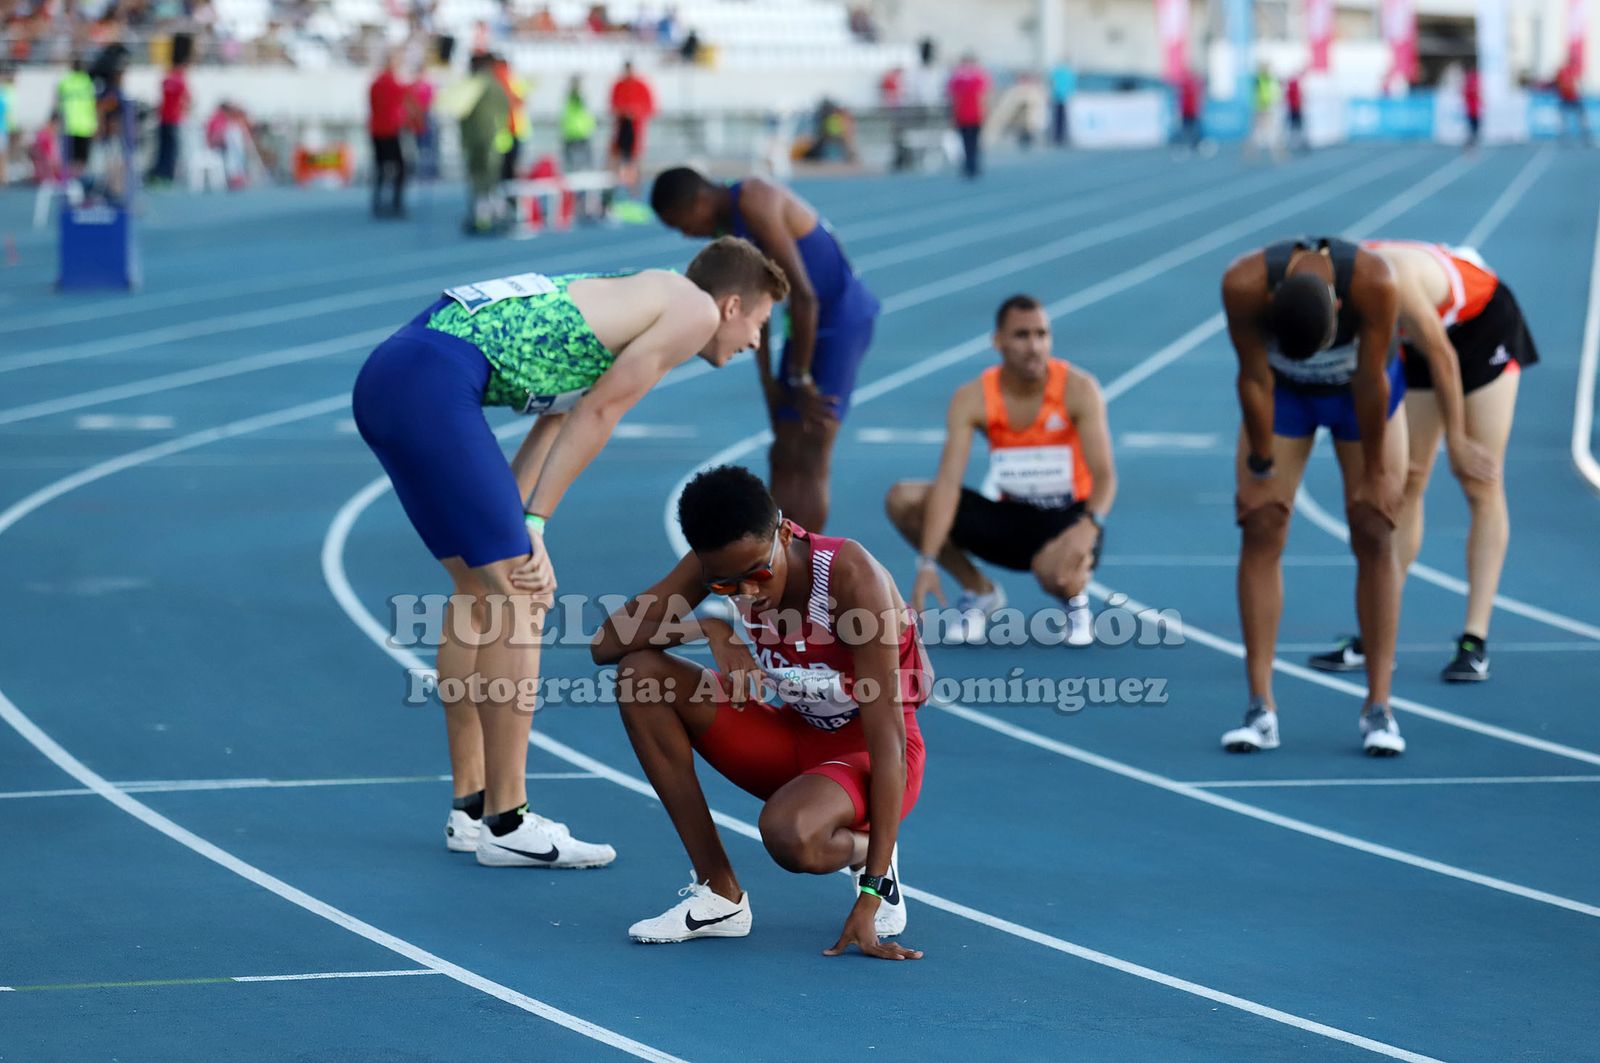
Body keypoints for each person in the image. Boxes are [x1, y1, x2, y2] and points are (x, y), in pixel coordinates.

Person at [351, 238, 789, 868]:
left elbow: (555, 427)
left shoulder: (624, 302)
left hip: (396, 373)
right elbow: (603, 411)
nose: (756, 342)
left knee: (481, 588)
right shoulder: (690, 308)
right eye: (761, 323)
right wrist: (532, 525)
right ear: (732, 304)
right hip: (432, 381)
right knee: (522, 595)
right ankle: (509, 821)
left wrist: (523, 521)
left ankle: (470, 809)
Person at [593, 465, 929, 959]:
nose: (748, 593)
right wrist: (711, 626)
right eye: (727, 586)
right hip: (794, 741)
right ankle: (720, 893)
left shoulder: (853, 580)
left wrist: (871, 891)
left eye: (758, 575)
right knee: (641, 675)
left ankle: (870, 849)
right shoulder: (724, 564)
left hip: (870, 756)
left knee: (790, 836)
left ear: (783, 531)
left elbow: (889, 741)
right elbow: (607, 644)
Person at [1218, 236, 1412, 757]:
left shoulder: (1374, 281)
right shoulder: (1242, 284)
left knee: (1374, 526)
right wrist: (1260, 462)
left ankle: (1379, 708)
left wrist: (1375, 471)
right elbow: (1254, 377)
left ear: (1340, 308)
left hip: (1360, 395)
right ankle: (1260, 707)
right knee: (1260, 523)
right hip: (1284, 395)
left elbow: (1372, 383)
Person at [1308, 241, 1537, 682]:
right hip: (1416, 342)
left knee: (1479, 478)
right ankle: (1379, 631)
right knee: (1408, 478)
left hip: (1481, 327)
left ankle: (1475, 641)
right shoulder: (1316, 286)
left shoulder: (1386, 278)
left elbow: (1444, 358)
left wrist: (1458, 440)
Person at [651, 166, 881, 532]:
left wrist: (799, 377)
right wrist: (769, 382)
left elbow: (805, 296)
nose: (686, 234)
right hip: (804, 324)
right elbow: (758, 309)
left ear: (698, 200)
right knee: (783, 449)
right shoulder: (730, 225)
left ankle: (805, 564)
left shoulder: (755, 200)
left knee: (812, 451)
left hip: (839, 319)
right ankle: (771, 550)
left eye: (681, 223)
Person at [885, 294, 1116, 646]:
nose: (1034, 346)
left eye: (1042, 334)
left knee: (1056, 575)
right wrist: (927, 563)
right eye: (1022, 335)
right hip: (1011, 518)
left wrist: (1090, 526)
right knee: (904, 499)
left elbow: (1106, 476)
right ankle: (978, 591)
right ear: (998, 342)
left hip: (1068, 518)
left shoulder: (1079, 390)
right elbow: (948, 482)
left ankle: (1074, 599)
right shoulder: (973, 398)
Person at [369, 53, 412, 218]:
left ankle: (378, 201)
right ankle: (396, 202)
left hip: (376, 130)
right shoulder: (394, 85)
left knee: (380, 167)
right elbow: (408, 102)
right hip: (389, 131)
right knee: (400, 167)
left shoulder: (375, 84)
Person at [609, 60, 655, 192]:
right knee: (618, 158)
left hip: (635, 128)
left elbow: (649, 106)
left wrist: (634, 112)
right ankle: (618, 191)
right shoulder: (619, 85)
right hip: (622, 127)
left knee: (635, 159)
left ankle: (635, 190)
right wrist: (624, 112)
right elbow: (613, 106)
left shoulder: (640, 85)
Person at [147, 52, 189, 184]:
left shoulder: (166, 80)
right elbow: (188, 100)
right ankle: (167, 176)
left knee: (161, 148)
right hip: (173, 119)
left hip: (163, 118)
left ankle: (159, 174)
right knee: (171, 149)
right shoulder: (181, 80)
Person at [947, 53, 989, 178]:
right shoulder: (976, 77)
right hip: (971, 115)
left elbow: (954, 99)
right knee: (972, 142)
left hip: (966, 115)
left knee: (967, 142)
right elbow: (982, 97)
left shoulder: (957, 79)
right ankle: (972, 165)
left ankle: (970, 164)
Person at [57, 58, 97, 181]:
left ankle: (70, 182)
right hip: (85, 125)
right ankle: (79, 182)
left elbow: (58, 102)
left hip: (69, 124)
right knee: (82, 158)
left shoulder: (65, 83)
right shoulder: (88, 82)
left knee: (70, 157)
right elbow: (93, 104)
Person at [560, 75, 596, 171]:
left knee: (585, 157)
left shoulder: (579, 97)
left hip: (580, 131)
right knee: (570, 159)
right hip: (572, 131)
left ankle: (587, 170)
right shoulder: (571, 97)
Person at [1556, 58, 1592, 146]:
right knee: (1565, 119)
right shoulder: (1563, 72)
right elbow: (1559, 84)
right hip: (1566, 98)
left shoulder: (1571, 71)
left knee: (1580, 117)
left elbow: (1578, 83)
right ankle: (1564, 138)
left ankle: (1585, 137)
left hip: (1573, 98)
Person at [1049, 59, 1076, 147]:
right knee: (1063, 118)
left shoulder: (1056, 72)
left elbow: (1052, 83)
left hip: (1057, 96)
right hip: (1064, 97)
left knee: (1057, 118)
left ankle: (1057, 136)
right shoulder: (1068, 72)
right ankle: (1062, 136)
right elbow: (1071, 84)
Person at [1463, 61, 1482, 150]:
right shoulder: (1469, 82)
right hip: (1471, 110)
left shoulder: (1474, 80)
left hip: (1475, 110)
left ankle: (1472, 144)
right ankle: (1471, 144)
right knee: (1473, 129)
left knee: (1475, 129)